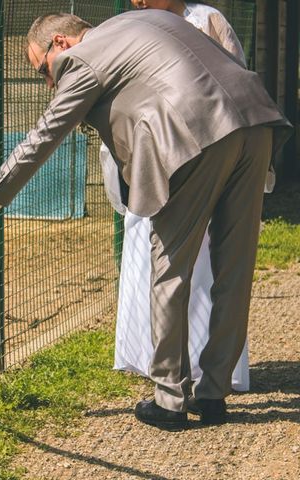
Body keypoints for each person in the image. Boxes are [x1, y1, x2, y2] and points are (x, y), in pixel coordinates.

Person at [0, 9, 291, 430]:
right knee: (234, 268)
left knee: (170, 268)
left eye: (43, 72)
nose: (50, 84)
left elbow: (40, 140)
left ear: (61, 43)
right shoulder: (138, 22)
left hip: (198, 132)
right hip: (254, 121)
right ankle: (214, 395)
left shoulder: (82, 59)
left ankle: (170, 399)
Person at [112, 1, 252, 396]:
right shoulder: (130, 25)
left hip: (203, 149)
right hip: (150, 151)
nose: (138, 1)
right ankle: (157, 363)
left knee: (206, 264)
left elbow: (234, 80)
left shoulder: (206, 20)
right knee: (153, 260)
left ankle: (208, 372)